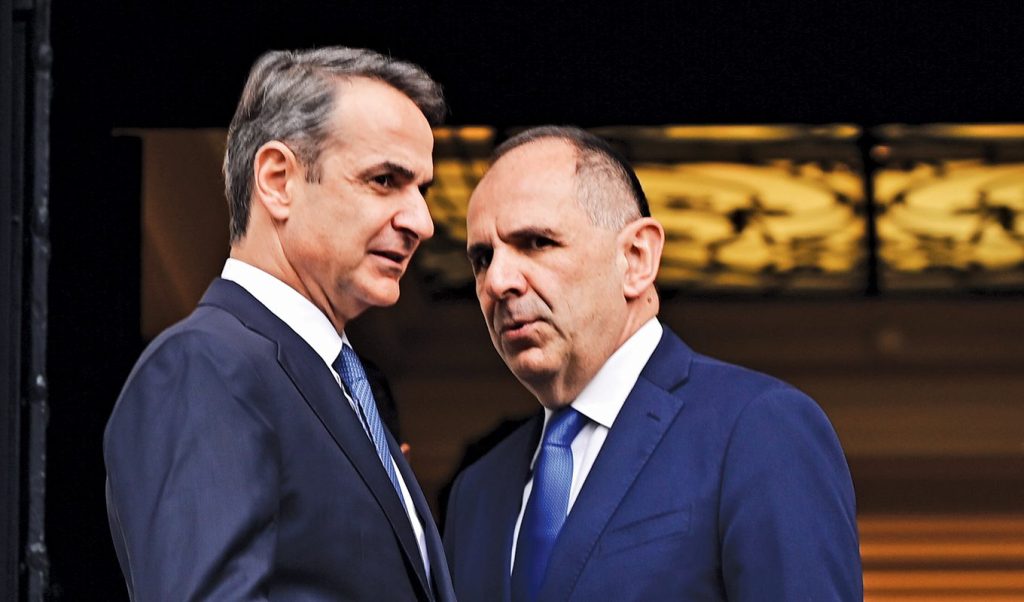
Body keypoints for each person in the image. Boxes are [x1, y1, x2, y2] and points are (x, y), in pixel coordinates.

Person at [443, 126, 863, 601]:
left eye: (537, 242)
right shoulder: (477, 491)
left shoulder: (759, 429)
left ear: (636, 257)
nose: (498, 281)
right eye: (482, 259)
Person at [104, 46, 455, 601]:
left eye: (423, 191)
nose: (422, 222)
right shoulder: (204, 366)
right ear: (277, 179)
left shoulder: (341, 384)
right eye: (386, 179)